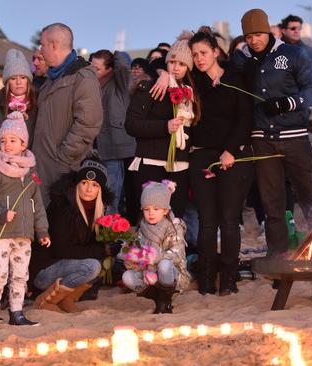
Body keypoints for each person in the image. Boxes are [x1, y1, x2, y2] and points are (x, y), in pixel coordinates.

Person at [233, 9, 312, 257]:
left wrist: (287, 103)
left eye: (259, 34)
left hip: (294, 137)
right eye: (249, 36)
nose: (254, 41)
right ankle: (278, 258)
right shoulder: (241, 59)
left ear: (269, 31)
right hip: (262, 141)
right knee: (272, 203)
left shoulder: (292, 53)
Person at [187, 28, 254, 295]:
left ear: (216, 52)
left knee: (228, 219)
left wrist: (230, 151)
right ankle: (205, 277)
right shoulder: (193, 84)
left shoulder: (235, 79)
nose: (199, 58)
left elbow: (245, 118)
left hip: (233, 155)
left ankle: (228, 278)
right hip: (202, 154)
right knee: (207, 220)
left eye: (203, 53)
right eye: (194, 54)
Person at [0, 111, 49, 328]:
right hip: (1, 234)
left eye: (13, 140)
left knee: (20, 276)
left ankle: (16, 312)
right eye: (3, 141)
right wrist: (0, 213)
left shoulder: (29, 172)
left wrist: (42, 231)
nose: (7, 145)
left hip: (24, 235)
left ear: (23, 144)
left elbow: (37, 205)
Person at [29, 158, 121, 313]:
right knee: (92, 266)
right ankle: (47, 299)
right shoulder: (62, 205)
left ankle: (67, 299)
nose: (88, 189)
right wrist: (101, 250)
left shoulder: (97, 210)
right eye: (84, 183)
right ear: (77, 183)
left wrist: (110, 245)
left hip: (66, 266)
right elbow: (61, 250)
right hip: (45, 269)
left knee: (106, 263)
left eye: (94, 185)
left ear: (100, 189)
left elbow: (88, 246)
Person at [125, 40, 200, 220]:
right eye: (172, 62)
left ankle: (175, 249)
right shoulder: (152, 87)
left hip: (179, 164)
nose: (176, 68)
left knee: (175, 217)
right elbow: (131, 125)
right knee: (151, 218)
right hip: (151, 162)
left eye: (182, 64)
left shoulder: (191, 93)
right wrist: (164, 126)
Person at [34, 23, 103, 205]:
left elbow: (89, 123)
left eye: (43, 45)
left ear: (54, 45)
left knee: (60, 226)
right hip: (42, 167)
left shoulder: (83, 78)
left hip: (63, 170)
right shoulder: (50, 80)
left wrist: (63, 157)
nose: (40, 51)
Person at [122, 181, 190, 314]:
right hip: (149, 275)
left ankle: (165, 301)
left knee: (164, 265)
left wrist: (155, 256)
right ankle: (158, 298)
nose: (151, 213)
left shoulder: (174, 227)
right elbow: (132, 260)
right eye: (147, 209)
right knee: (127, 277)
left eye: (156, 209)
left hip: (173, 274)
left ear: (165, 210)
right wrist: (132, 257)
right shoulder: (141, 228)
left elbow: (177, 254)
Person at [89, 49, 135, 214]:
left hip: (113, 149)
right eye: (91, 66)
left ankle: (109, 232)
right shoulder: (90, 85)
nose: (93, 71)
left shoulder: (119, 82)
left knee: (111, 195)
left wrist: (117, 54)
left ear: (109, 69)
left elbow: (123, 65)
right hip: (92, 148)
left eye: (97, 68)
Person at [0, 49, 38, 146]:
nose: (19, 82)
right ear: (7, 82)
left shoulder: (38, 104)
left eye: (23, 77)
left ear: (28, 80)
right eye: (13, 78)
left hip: (31, 160)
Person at [280, 15, 312, 87]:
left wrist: (311, 93)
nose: (296, 31)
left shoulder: (310, 52)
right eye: (293, 28)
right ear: (284, 31)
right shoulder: (278, 51)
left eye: (299, 28)